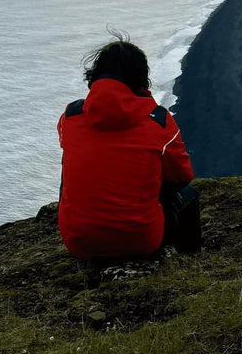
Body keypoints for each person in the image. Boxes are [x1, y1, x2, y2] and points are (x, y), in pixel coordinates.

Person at [57, 37, 201, 260]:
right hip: (141, 243)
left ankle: (87, 228)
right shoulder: (159, 121)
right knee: (187, 195)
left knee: (69, 163)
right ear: (140, 77)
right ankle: (190, 262)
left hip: (79, 244)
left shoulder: (71, 116)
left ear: (95, 74)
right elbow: (181, 177)